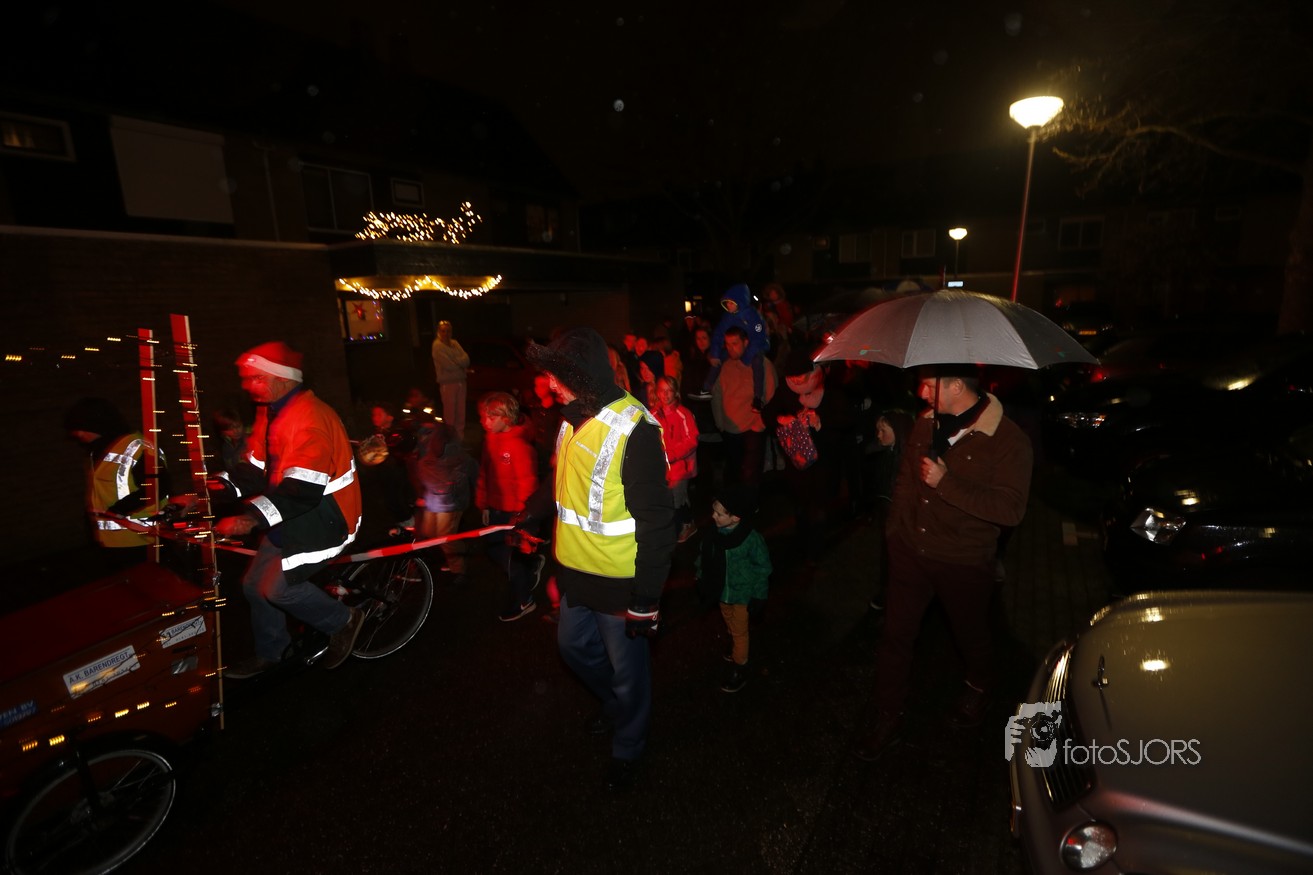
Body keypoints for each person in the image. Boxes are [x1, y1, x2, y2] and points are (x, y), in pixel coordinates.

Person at [521, 327, 675, 792]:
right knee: (573, 648)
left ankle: (629, 745)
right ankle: (617, 707)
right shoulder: (570, 419)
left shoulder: (635, 430)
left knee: (629, 675)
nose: (550, 384)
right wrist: (531, 514)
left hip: (618, 583)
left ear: (584, 376)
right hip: (574, 573)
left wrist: (647, 597)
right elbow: (562, 479)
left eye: (558, 375)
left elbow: (657, 523)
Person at [854, 365, 1032, 761]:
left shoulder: (1008, 439)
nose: (921, 392)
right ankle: (887, 714)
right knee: (895, 635)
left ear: (955, 386)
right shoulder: (925, 423)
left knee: (970, 634)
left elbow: (1010, 509)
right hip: (910, 551)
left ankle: (979, 685)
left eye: (928, 385)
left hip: (963, 560)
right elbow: (904, 480)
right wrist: (895, 532)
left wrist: (946, 482)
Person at [209, 342, 366, 679]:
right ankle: (273, 652)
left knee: (278, 588)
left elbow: (302, 490)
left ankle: (344, 620)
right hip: (293, 514)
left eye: (257, 378)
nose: (248, 385)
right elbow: (255, 468)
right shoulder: (271, 412)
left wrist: (251, 518)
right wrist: (210, 491)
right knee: (253, 585)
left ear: (282, 378)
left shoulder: (310, 418)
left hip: (327, 519)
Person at [761, 349, 853, 566]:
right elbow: (768, 414)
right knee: (800, 504)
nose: (795, 381)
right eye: (791, 377)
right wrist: (783, 419)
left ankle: (815, 550)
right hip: (798, 462)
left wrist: (820, 422)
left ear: (811, 372)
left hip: (823, 461)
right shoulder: (785, 389)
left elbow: (846, 420)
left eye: (799, 376)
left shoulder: (829, 388)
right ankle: (801, 542)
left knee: (818, 506)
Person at [64, 397, 173, 571]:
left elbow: (157, 487)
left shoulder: (138, 448)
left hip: (140, 539)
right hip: (111, 541)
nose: (78, 435)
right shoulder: (98, 451)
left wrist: (117, 511)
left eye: (80, 429)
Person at [695, 485, 771, 693]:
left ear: (736, 517)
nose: (713, 516)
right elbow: (704, 557)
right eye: (714, 511)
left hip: (742, 595)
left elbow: (762, 568)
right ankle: (734, 644)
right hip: (721, 592)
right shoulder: (713, 535)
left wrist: (759, 595)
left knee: (740, 632)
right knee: (728, 621)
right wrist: (701, 576)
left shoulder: (751, 539)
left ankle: (740, 667)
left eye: (719, 514)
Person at [476, 391, 542, 621]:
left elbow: (527, 484)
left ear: (506, 418)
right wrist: (484, 503)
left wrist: (522, 516)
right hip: (496, 507)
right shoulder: (490, 440)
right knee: (494, 549)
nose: (485, 422)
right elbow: (485, 473)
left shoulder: (519, 446)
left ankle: (525, 600)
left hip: (514, 513)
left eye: (491, 417)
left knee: (510, 557)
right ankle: (530, 565)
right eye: (484, 416)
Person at [711, 326, 776, 488]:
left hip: (752, 428)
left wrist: (760, 424)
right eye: (727, 344)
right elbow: (717, 394)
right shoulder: (725, 365)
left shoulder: (761, 365)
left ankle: (750, 501)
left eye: (735, 344)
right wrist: (720, 422)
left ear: (745, 342)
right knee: (735, 472)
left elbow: (771, 396)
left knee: (750, 475)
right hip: (730, 429)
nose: (730, 348)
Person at [416, 416, 477, 584]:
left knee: (445, 537)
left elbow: (468, 469)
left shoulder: (451, 448)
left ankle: (459, 569)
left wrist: (456, 490)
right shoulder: (423, 444)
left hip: (450, 502)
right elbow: (422, 469)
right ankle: (458, 550)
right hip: (433, 499)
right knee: (428, 533)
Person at [868, 410, 914, 611]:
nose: (878, 435)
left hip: (901, 517)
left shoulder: (907, 459)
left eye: (883, 431)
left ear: (898, 432)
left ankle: (898, 595)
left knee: (899, 557)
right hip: (886, 513)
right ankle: (886, 591)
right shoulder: (886, 451)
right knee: (887, 554)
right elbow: (868, 450)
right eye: (877, 430)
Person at [697, 284, 770, 409]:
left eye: (731, 303)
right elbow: (719, 334)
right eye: (727, 304)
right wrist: (714, 353)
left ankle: (758, 398)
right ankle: (706, 389)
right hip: (737, 346)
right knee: (718, 359)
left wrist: (746, 357)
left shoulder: (753, 316)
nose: (728, 306)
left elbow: (758, 337)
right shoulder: (728, 317)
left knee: (757, 362)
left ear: (740, 302)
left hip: (755, 346)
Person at [652, 375, 699, 543]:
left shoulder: (683, 414)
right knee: (668, 497)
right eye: (662, 390)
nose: (665, 395)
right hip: (661, 466)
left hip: (680, 466)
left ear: (675, 392)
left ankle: (684, 525)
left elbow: (691, 440)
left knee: (677, 499)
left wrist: (672, 454)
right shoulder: (653, 414)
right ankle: (680, 523)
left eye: (669, 391)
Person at [431, 320, 470, 440]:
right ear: (439, 332)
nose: (446, 334)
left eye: (448, 331)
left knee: (461, 413)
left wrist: (455, 360)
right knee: (450, 414)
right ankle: (450, 441)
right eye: (443, 331)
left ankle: (459, 440)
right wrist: (459, 363)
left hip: (461, 382)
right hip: (448, 383)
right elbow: (448, 365)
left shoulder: (455, 343)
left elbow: (466, 360)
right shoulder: (437, 346)